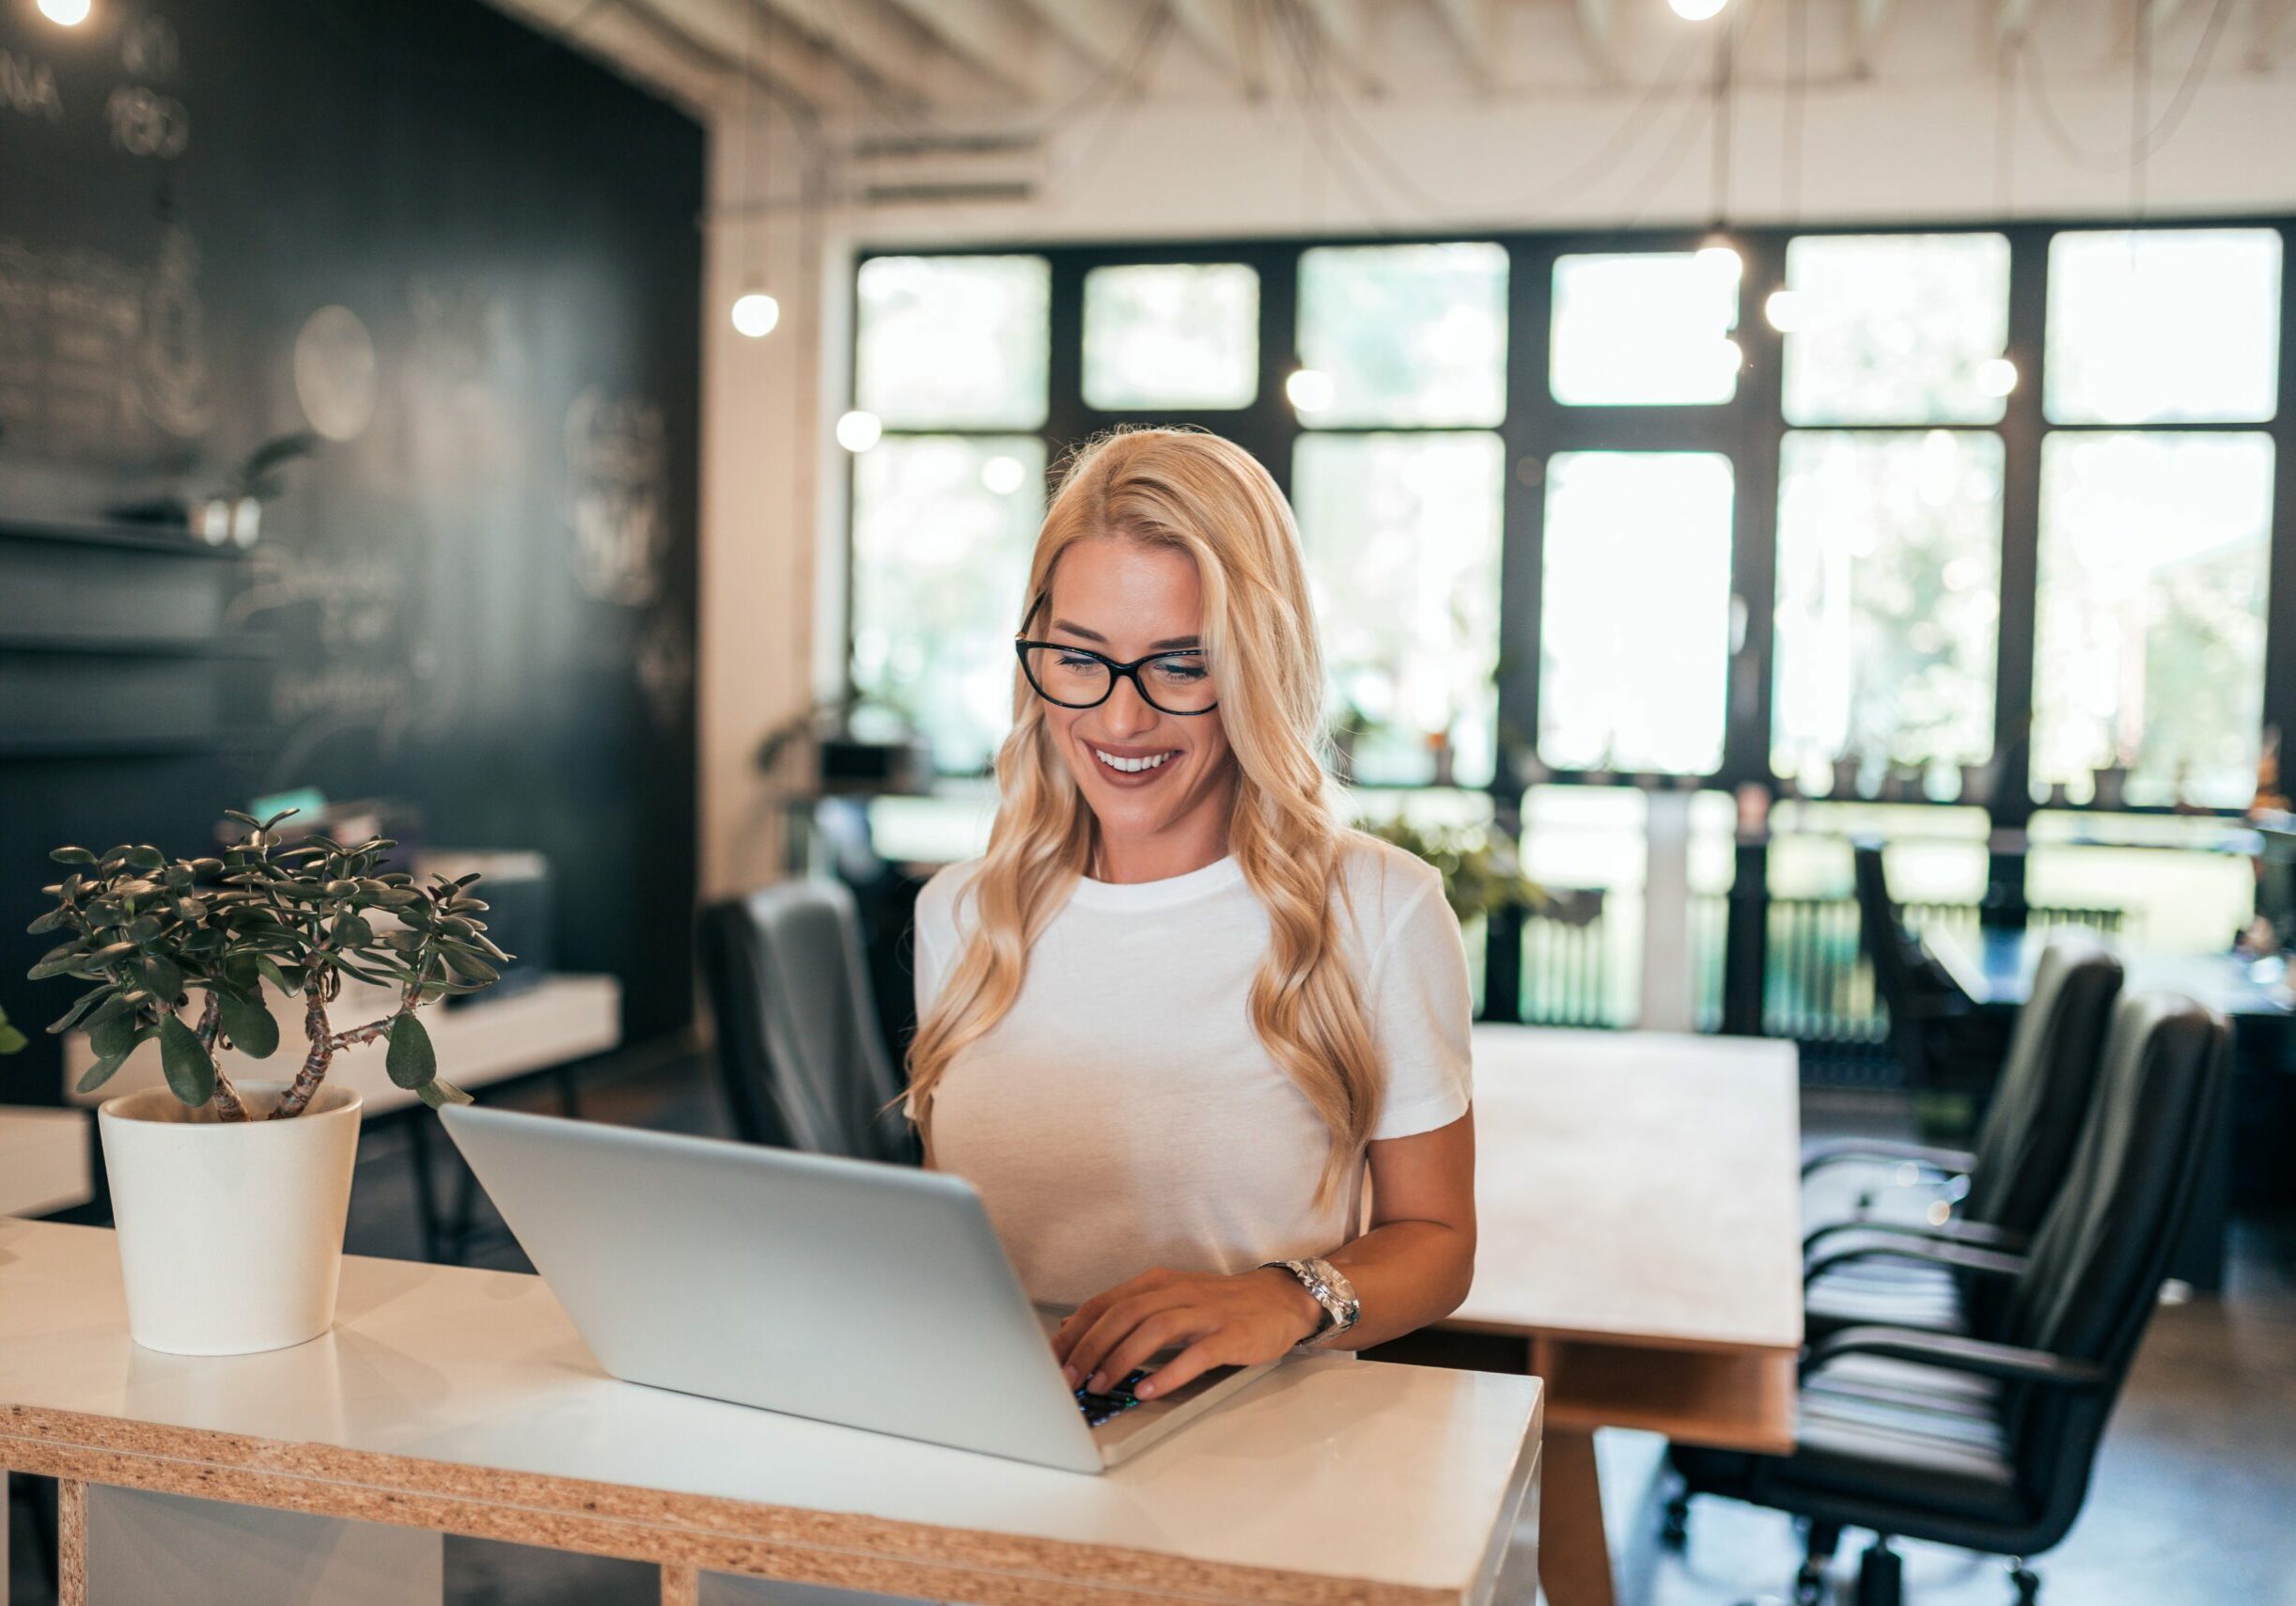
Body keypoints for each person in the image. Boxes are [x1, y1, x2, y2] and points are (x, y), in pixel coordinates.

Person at [906, 426, 1476, 1404]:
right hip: (1000, 1435)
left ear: (1257, 663)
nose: (1120, 721)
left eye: (1180, 664)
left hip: (1261, 1458)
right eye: (1079, 659)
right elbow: (955, 1236)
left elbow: (1438, 1243)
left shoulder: (1376, 907)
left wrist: (1284, 1295)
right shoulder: (963, 912)